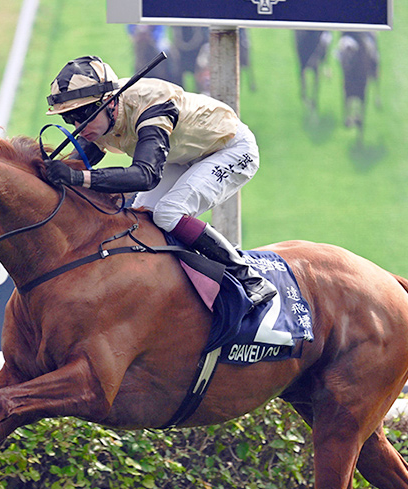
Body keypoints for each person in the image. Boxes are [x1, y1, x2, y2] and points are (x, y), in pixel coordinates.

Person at [42, 55, 276, 307]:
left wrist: (78, 178)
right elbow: (78, 162)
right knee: (137, 218)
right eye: (69, 118)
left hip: (229, 148)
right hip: (182, 155)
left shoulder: (151, 103)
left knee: (168, 213)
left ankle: (249, 278)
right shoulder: (100, 115)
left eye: (83, 114)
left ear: (109, 101)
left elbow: (146, 175)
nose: (78, 124)